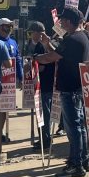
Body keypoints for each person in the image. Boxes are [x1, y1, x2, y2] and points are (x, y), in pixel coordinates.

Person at [33, 6, 89, 177]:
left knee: (73, 128)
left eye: (63, 20)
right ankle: (83, 159)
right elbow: (59, 53)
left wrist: (36, 59)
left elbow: (52, 58)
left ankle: (76, 164)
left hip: (70, 89)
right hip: (78, 88)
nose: (60, 22)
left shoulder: (72, 38)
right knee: (79, 126)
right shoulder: (84, 37)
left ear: (68, 21)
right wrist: (46, 44)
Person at [28, 21, 53, 151]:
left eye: (32, 33)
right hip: (44, 85)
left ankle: (45, 139)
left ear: (38, 33)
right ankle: (43, 138)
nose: (31, 35)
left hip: (44, 85)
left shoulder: (41, 46)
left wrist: (30, 65)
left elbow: (41, 67)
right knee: (43, 113)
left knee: (43, 114)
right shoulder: (41, 45)